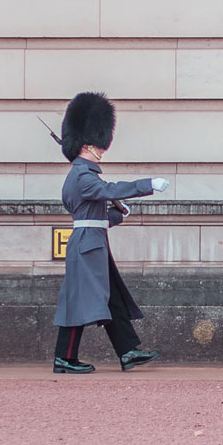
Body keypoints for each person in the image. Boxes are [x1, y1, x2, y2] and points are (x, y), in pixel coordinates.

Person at [50, 93, 169, 374]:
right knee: (81, 301)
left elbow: (98, 217)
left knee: (111, 298)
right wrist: (147, 185)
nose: (102, 151)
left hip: (93, 244)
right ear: (88, 145)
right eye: (98, 146)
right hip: (87, 247)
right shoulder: (82, 177)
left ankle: (128, 352)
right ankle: (63, 357)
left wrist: (120, 214)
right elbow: (109, 190)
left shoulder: (85, 175)